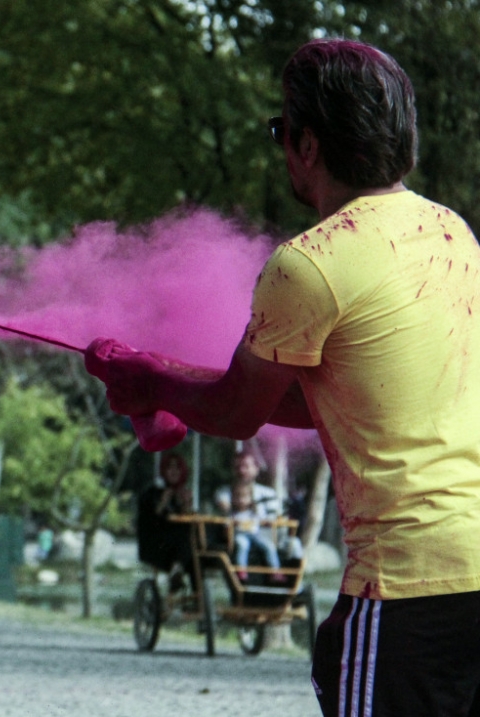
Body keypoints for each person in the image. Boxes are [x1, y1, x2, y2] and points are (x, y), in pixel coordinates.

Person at [85, 38, 480, 716]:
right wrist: (170, 380)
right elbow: (328, 397)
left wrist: (153, 381)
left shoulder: (308, 263)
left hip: (407, 585)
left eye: (281, 130)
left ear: (308, 145)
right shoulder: (451, 232)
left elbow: (238, 411)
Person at [213, 451, 282, 582]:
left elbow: (274, 518)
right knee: (241, 545)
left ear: (256, 469)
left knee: (293, 546)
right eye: (237, 466)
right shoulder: (225, 492)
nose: (241, 470)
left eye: (246, 466)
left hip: (264, 537)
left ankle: (287, 583)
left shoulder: (268, 493)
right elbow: (224, 508)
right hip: (235, 538)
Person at [136, 452, 194, 591]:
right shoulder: (152, 493)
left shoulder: (181, 493)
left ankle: (199, 600)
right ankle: (176, 570)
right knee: (184, 539)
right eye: (170, 468)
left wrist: (186, 504)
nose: (174, 472)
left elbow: (187, 520)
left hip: (181, 547)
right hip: (157, 545)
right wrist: (162, 503)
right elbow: (149, 520)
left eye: (177, 468)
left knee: (198, 559)